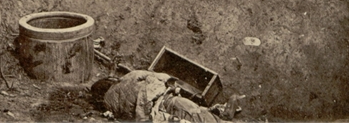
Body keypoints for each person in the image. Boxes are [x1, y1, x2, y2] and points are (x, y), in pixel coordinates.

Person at [93, 70, 242, 122]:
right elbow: (161, 76)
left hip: (166, 109)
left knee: (199, 116)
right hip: (171, 101)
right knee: (199, 114)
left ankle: (223, 115)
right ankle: (223, 115)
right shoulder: (129, 77)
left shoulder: (110, 102)